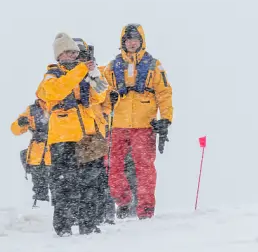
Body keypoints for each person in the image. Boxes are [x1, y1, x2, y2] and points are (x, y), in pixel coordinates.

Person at [36, 33, 109, 236]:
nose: (74, 56)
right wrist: (81, 70)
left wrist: (94, 74)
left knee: (91, 183)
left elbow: (101, 94)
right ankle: (63, 226)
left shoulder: (84, 73)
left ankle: (89, 224)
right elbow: (55, 92)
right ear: (59, 55)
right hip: (63, 138)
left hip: (89, 135)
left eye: (76, 53)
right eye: (69, 52)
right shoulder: (51, 76)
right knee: (64, 184)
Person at [103, 24, 174, 219]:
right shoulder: (112, 67)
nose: (132, 43)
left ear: (141, 41)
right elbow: (102, 93)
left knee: (145, 168)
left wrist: (165, 119)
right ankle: (124, 200)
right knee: (111, 166)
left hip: (144, 126)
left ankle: (145, 209)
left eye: (135, 39)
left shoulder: (154, 65)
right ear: (122, 43)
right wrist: (109, 100)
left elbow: (164, 93)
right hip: (117, 125)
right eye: (128, 40)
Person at [11, 100, 53, 206]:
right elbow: (15, 130)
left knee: (59, 186)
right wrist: (20, 123)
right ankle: (41, 207)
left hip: (54, 153)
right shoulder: (32, 110)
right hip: (38, 154)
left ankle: (54, 209)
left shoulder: (61, 106)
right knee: (40, 185)